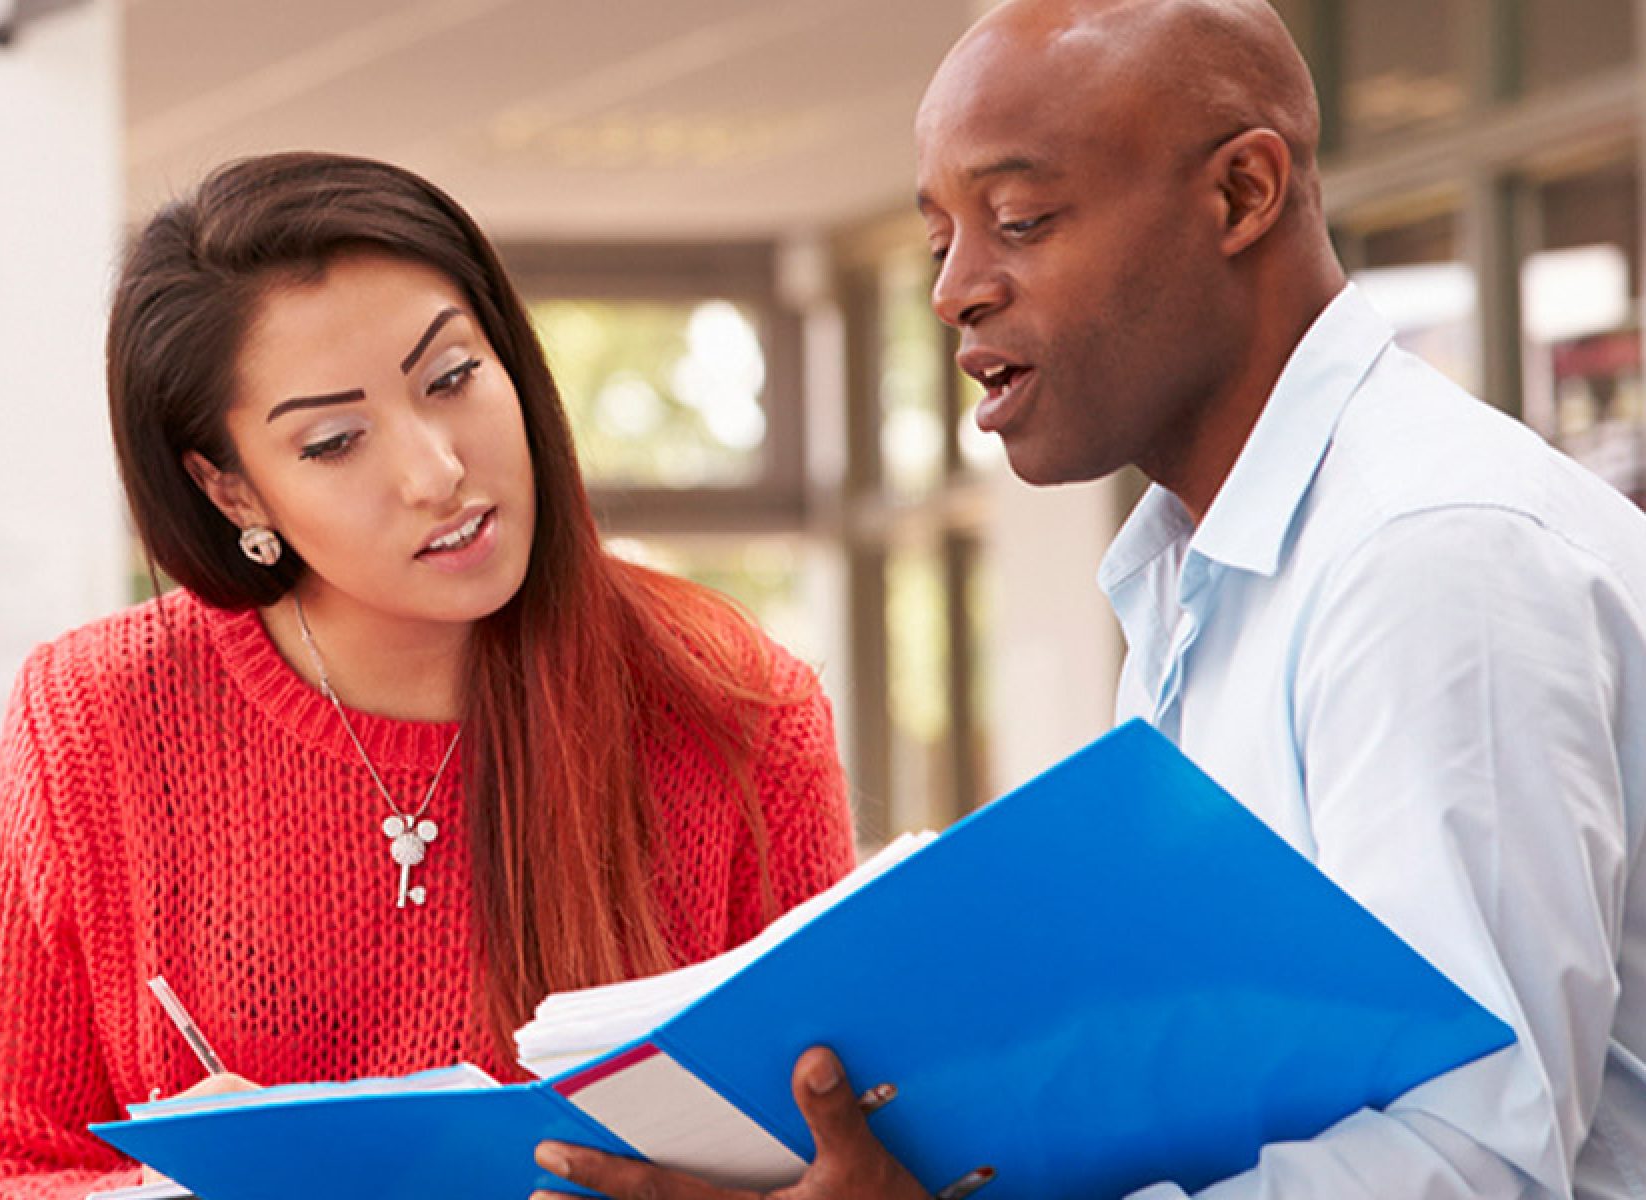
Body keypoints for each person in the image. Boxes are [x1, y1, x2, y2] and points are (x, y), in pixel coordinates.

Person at [536, 1, 1646, 1198]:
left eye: (1019, 221)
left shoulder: (1431, 560)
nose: (956, 292)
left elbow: (1475, 1160)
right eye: (937, 242)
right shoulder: (1192, 573)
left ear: (1240, 195)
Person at [0, 151, 859, 1198]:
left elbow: (846, 1140)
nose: (434, 471)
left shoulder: (728, 702)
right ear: (230, 488)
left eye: (453, 378)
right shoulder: (96, 716)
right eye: (333, 441)